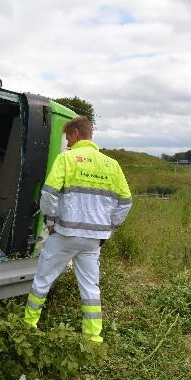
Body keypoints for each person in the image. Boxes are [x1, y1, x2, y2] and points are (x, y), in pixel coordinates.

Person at [23, 116, 132, 343]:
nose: (68, 143)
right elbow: (125, 202)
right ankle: (92, 336)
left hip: (65, 234)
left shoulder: (67, 159)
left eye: (68, 139)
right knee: (90, 287)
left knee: (43, 279)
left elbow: (49, 194)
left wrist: (51, 223)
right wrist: (109, 229)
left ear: (75, 134)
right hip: (93, 240)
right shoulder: (112, 165)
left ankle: (28, 326)